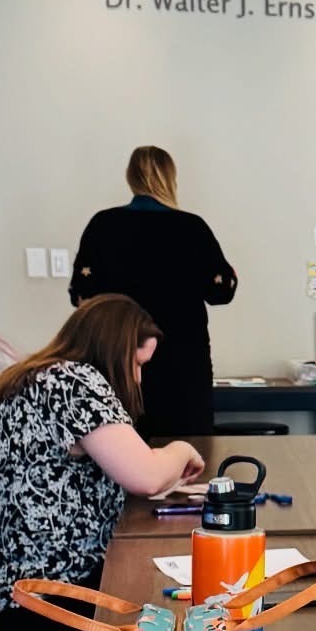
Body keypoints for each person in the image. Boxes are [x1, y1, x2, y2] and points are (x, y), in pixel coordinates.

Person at [0, 293, 204, 622]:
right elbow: (147, 476)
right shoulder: (74, 383)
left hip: (11, 581)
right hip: (49, 592)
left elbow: (123, 460)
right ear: (113, 350)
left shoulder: (30, 377)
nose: (137, 379)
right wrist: (182, 450)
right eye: (136, 364)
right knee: (178, 601)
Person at [69, 146, 236, 436]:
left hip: (115, 361)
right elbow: (221, 292)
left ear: (130, 178)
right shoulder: (192, 228)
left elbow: (81, 295)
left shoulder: (103, 226)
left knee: (115, 454)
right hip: (183, 366)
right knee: (188, 455)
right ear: (171, 178)